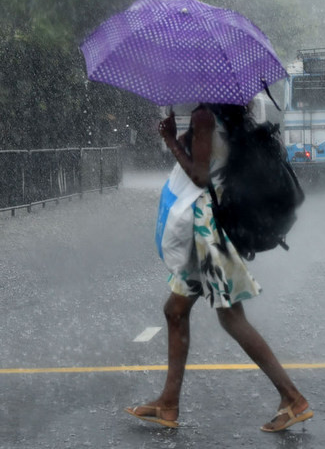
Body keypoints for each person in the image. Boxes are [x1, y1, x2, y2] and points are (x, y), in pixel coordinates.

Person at [125, 103, 313, 433]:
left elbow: (199, 177)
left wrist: (171, 140)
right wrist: (188, 138)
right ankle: (168, 403)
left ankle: (293, 398)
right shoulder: (229, 116)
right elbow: (212, 162)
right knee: (176, 311)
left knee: (229, 316)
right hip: (211, 228)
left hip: (206, 233)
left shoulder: (204, 116)